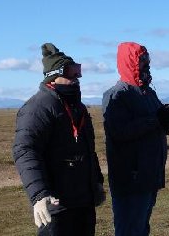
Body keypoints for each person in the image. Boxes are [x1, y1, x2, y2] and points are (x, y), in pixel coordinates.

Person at [13, 43, 105, 236]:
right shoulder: (38, 108)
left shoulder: (78, 107)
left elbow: (88, 150)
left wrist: (96, 183)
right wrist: (39, 195)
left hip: (83, 202)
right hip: (56, 205)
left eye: (78, 71)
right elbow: (25, 150)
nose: (77, 77)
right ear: (53, 77)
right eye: (71, 72)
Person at [102, 42, 169, 236]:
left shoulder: (149, 93)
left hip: (150, 176)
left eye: (148, 63)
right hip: (131, 178)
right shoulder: (117, 95)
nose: (147, 67)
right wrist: (157, 119)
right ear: (130, 63)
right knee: (129, 230)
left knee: (141, 229)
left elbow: (157, 128)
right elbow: (119, 132)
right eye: (142, 63)